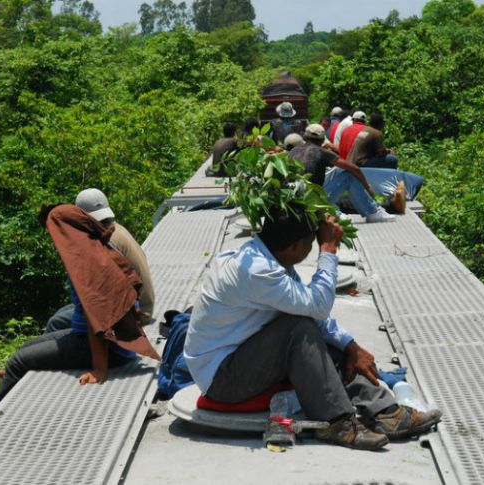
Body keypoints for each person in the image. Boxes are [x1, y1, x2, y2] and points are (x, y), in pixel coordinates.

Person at [183, 206, 442, 450]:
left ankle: (384, 412)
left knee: (319, 335)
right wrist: (328, 252)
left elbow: (310, 310)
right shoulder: (256, 271)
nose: (312, 250)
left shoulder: (269, 258)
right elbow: (317, 307)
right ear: (295, 246)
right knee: (299, 329)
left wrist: (351, 345)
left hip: (244, 357)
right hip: (222, 378)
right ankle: (335, 422)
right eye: (310, 244)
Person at [0, 204, 161, 451]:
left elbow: (95, 318)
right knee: (24, 351)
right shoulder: (94, 248)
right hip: (103, 339)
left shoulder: (86, 262)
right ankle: (6, 388)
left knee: (18, 362)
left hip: (108, 347)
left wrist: (99, 370)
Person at [46, 189, 156, 333]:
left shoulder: (105, 241)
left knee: (55, 322)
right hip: (143, 305)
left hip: (134, 313)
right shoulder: (117, 228)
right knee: (63, 312)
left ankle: (79, 353)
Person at [288, 124, 395, 223]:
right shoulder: (322, 152)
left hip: (296, 198)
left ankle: (332, 209)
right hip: (314, 200)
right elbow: (354, 169)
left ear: (305, 137)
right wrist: (368, 188)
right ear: (322, 140)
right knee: (348, 175)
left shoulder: (293, 151)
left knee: (336, 171)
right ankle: (372, 212)